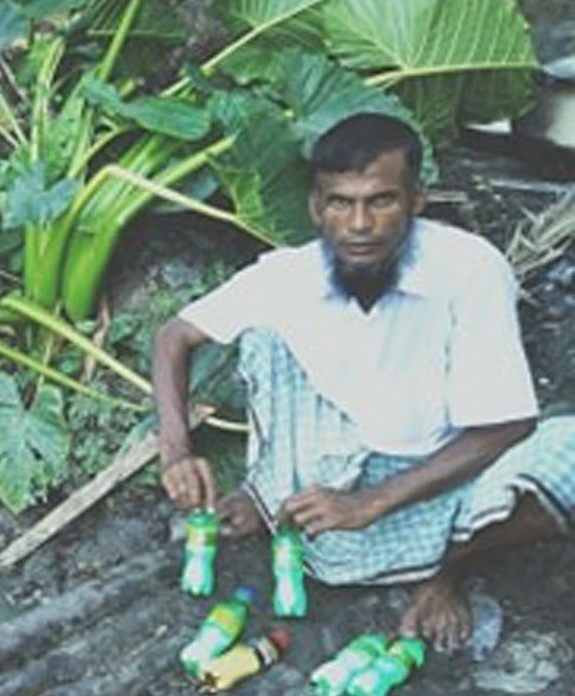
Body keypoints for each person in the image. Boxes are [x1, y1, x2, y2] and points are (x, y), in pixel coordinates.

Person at [151, 112, 574, 654]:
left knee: (569, 456)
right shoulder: (289, 275)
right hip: (335, 452)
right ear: (316, 207)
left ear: (417, 199)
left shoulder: (470, 270)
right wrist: (176, 451)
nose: (359, 224)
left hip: (447, 467)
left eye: (380, 200)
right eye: (340, 202)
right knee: (265, 337)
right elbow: (174, 337)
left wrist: (370, 504)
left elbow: (509, 423)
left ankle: (444, 570)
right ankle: (268, 499)